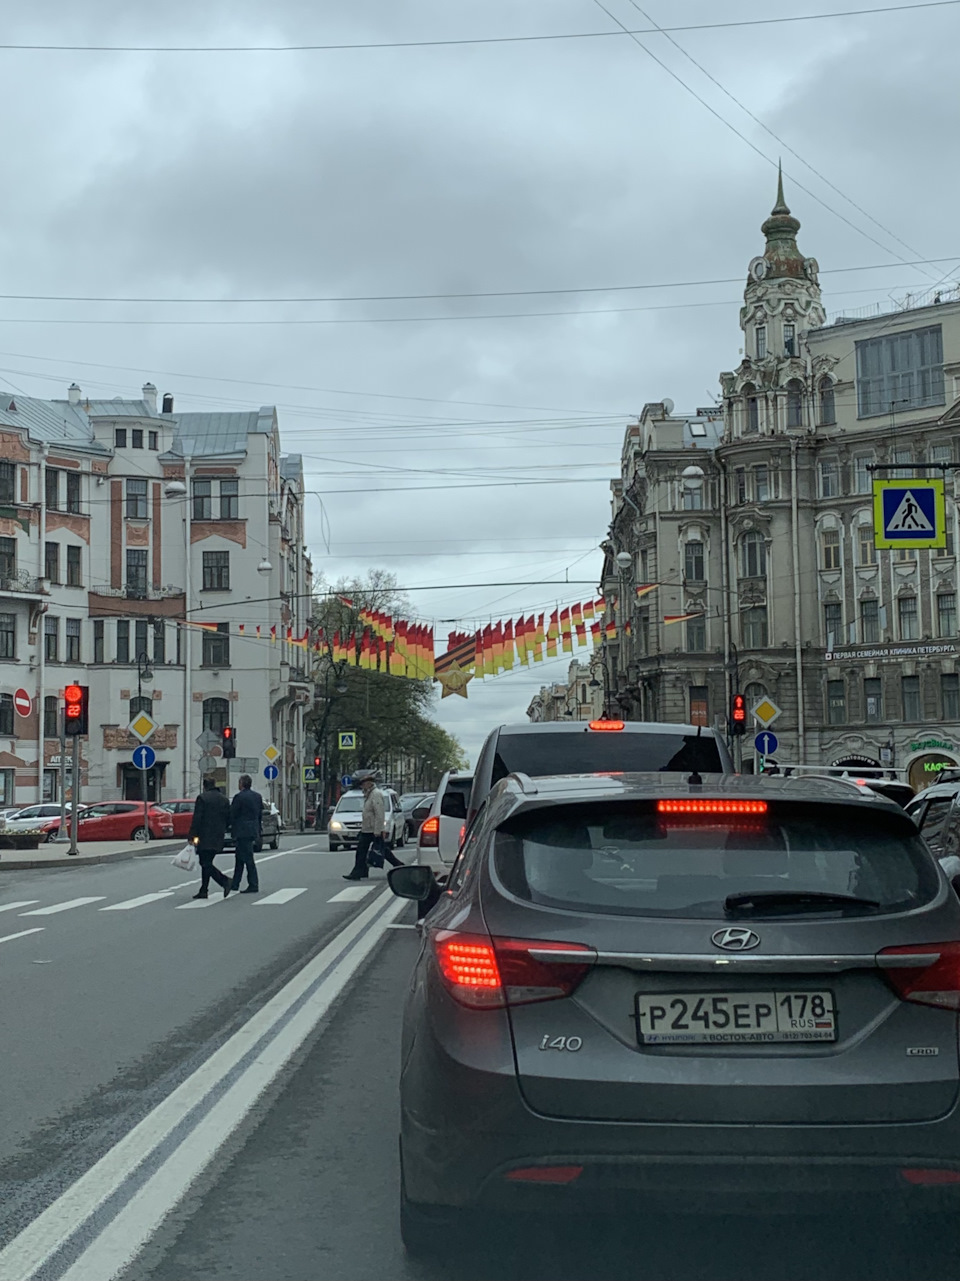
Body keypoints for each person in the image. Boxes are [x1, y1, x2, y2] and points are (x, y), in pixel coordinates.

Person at [343, 770, 404, 880]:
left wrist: (378, 830)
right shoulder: (369, 794)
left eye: (363, 784)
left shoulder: (375, 794)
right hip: (368, 828)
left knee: (364, 851)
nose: (362, 786)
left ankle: (358, 872)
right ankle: (363, 871)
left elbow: (379, 813)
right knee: (381, 850)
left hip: (373, 829)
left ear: (369, 783)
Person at [188, 777, 232, 899]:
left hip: (204, 836)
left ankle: (225, 881)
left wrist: (192, 835)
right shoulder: (224, 799)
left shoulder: (202, 798)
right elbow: (229, 818)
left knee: (205, 863)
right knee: (207, 862)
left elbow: (197, 818)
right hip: (218, 835)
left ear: (204, 786)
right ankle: (204, 890)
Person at [230, 773, 263, 894]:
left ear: (242, 784)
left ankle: (253, 884)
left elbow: (233, 814)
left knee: (248, 858)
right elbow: (259, 814)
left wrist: (229, 827)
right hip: (252, 829)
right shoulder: (257, 797)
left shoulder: (239, 797)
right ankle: (235, 884)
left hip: (242, 831)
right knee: (239, 857)